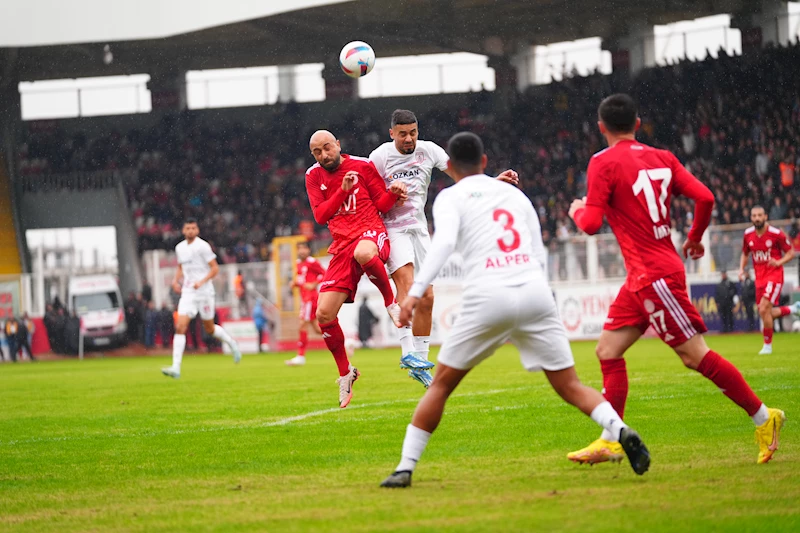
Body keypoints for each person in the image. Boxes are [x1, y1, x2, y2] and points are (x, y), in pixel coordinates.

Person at [380, 132, 649, 489]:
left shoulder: (449, 197)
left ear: (451, 166)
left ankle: (404, 468)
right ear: (485, 162)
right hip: (535, 290)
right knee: (569, 384)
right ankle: (620, 430)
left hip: (488, 295)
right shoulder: (513, 193)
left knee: (441, 386)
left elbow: (443, 245)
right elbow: (538, 250)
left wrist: (413, 295)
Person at [567, 94, 784, 465]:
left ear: (601, 127)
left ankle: (765, 418)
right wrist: (695, 237)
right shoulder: (662, 157)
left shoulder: (602, 162)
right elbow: (705, 197)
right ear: (637, 124)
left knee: (694, 356)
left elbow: (588, 225)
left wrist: (576, 210)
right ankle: (611, 439)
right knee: (607, 350)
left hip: (655, 277)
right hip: (643, 277)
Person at [369, 109, 519, 387]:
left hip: (419, 228)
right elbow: (370, 193)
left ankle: (421, 362)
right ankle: (407, 353)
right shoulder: (379, 157)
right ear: (392, 134)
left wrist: (493, 182)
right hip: (392, 229)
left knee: (426, 296)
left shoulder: (428, 151)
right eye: (402, 134)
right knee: (407, 284)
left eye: (413, 132)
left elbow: (461, 175)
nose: (409, 139)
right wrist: (389, 196)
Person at [305, 130, 407, 408]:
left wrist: (393, 194)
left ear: (338, 144)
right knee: (323, 315)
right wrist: (342, 191)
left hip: (370, 233)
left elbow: (382, 205)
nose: (324, 155)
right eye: (317, 152)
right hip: (341, 245)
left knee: (364, 252)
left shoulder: (362, 166)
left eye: (327, 148)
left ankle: (390, 302)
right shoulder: (313, 176)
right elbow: (321, 215)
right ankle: (345, 373)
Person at [161, 218, 242, 379]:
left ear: (197, 230)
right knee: (180, 326)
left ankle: (232, 343)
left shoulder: (203, 246)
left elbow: (215, 268)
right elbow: (181, 266)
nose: (190, 231)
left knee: (210, 329)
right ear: (183, 231)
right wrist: (175, 280)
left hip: (204, 292)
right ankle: (176, 367)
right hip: (188, 292)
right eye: (188, 228)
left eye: (193, 228)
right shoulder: (180, 248)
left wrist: (202, 281)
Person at [738, 206, 800, 354]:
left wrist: (779, 262)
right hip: (759, 278)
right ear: (751, 218)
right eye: (754, 216)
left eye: (760, 215)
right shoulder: (747, 234)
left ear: (765, 216)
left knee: (765, 308)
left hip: (774, 276)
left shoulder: (776, 234)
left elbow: (791, 252)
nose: (757, 218)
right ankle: (794, 309)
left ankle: (767, 346)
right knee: (764, 312)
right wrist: (741, 269)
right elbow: (745, 254)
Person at [286, 242, 326, 366]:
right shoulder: (298, 264)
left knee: (302, 324)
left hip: (311, 298)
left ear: (309, 249)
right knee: (317, 329)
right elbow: (301, 280)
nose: (302, 251)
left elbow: (325, 274)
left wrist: (314, 284)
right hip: (305, 298)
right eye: (300, 249)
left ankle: (301, 356)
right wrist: (295, 284)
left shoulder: (312, 262)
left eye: (304, 248)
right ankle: (345, 341)